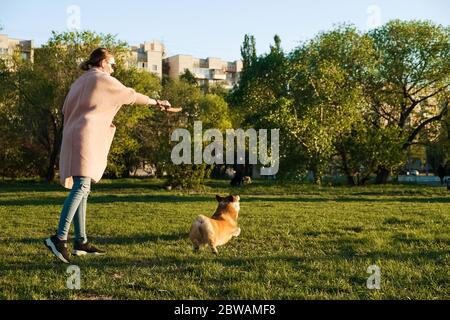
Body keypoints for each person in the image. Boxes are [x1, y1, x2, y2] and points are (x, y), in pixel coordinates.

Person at [44, 48, 182, 263]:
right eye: (113, 63)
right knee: (81, 186)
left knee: (83, 186)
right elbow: (130, 95)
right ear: (103, 61)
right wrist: (157, 102)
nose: (114, 67)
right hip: (85, 135)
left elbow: (65, 109)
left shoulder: (79, 82)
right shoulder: (102, 78)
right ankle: (59, 238)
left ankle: (81, 242)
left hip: (72, 134)